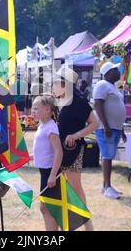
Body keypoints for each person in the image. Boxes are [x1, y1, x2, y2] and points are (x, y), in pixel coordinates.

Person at [52, 65, 98, 231]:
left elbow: (95, 124)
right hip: (59, 151)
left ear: (65, 84)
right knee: (62, 189)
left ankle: (88, 225)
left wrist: (76, 135)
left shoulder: (78, 102)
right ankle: (66, 223)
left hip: (73, 151)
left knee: (76, 189)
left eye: (57, 82)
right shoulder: (59, 101)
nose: (54, 86)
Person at [93, 62, 126, 199]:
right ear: (108, 73)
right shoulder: (102, 85)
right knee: (107, 156)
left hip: (115, 127)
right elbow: (98, 105)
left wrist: (122, 129)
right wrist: (105, 125)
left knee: (109, 155)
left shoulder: (112, 87)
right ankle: (107, 188)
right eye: (115, 70)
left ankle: (106, 186)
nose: (118, 72)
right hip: (106, 127)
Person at [30, 95, 63, 231]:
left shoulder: (51, 127)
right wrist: (28, 157)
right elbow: (43, 151)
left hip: (50, 172)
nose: (33, 111)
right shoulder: (42, 126)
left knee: (47, 208)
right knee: (47, 207)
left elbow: (58, 152)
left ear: (48, 109)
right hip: (44, 171)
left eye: (36, 108)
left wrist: (52, 175)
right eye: (33, 108)